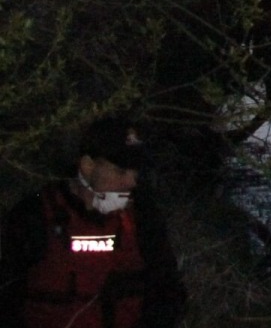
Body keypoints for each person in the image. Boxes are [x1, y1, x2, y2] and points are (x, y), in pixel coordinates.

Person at [0, 119, 185, 328]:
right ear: (88, 166)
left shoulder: (142, 216)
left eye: (136, 172)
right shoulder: (35, 215)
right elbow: (8, 298)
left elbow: (167, 294)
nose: (131, 182)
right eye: (121, 171)